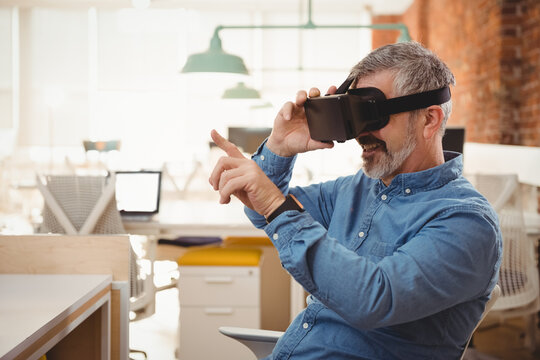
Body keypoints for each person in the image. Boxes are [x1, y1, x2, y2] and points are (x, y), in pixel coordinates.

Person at [209, 41, 502, 360]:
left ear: (429, 120)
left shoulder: (466, 222)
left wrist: (273, 204)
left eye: (370, 115)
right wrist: (279, 148)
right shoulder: (359, 188)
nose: (360, 133)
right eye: (353, 115)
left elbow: (374, 300)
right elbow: (265, 214)